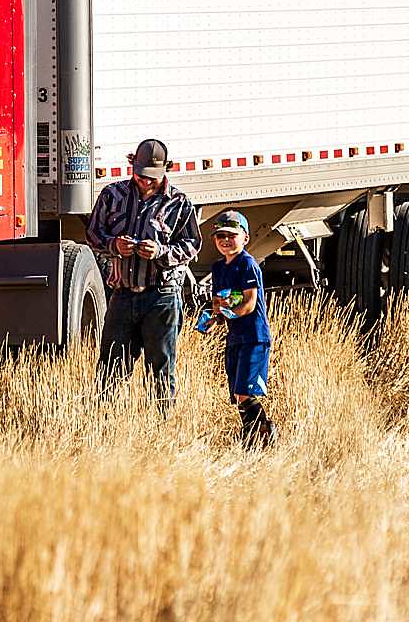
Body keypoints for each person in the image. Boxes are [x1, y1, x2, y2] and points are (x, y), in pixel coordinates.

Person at [86, 138, 200, 413]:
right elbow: (93, 234)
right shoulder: (112, 195)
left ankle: (161, 421)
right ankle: (105, 419)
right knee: (111, 367)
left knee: (160, 367)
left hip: (161, 296)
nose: (145, 180)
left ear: (165, 170)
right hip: (123, 294)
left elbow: (192, 245)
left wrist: (160, 252)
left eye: (151, 176)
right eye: (140, 174)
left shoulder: (180, 203)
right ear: (131, 166)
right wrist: (114, 245)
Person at [206, 209, 275, 447]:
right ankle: (251, 436)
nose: (225, 240)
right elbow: (219, 302)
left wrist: (226, 313)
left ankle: (264, 431)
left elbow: (248, 304)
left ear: (245, 238)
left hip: (254, 336)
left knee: (245, 391)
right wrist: (213, 319)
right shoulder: (218, 268)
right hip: (235, 337)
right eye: (220, 236)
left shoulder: (247, 264)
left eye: (231, 235)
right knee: (237, 393)